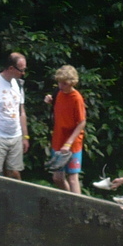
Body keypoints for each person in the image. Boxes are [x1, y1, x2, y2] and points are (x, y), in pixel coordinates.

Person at [43, 65, 86, 193]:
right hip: (58, 139)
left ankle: (77, 206)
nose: (61, 86)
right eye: (59, 83)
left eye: (65, 83)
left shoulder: (76, 98)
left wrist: (69, 143)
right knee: (57, 177)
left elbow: (82, 122)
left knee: (73, 177)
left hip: (72, 143)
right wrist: (49, 100)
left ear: (72, 83)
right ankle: (69, 199)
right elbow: (58, 107)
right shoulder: (58, 93)